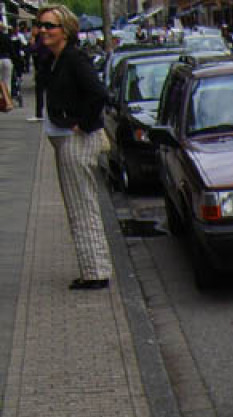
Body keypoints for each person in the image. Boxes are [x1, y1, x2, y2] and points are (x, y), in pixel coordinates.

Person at [36, 4, 112, 290]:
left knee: (83, 205)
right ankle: (93, 268)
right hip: (63, 136)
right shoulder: (54, 59)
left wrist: (82, 122)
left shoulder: (74, 59)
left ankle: (96, 272)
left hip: (76, 139)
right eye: (41, 25)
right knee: (77, 204)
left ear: (65, 30)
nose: (43, 30)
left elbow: (98, 93)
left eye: (49, 26)